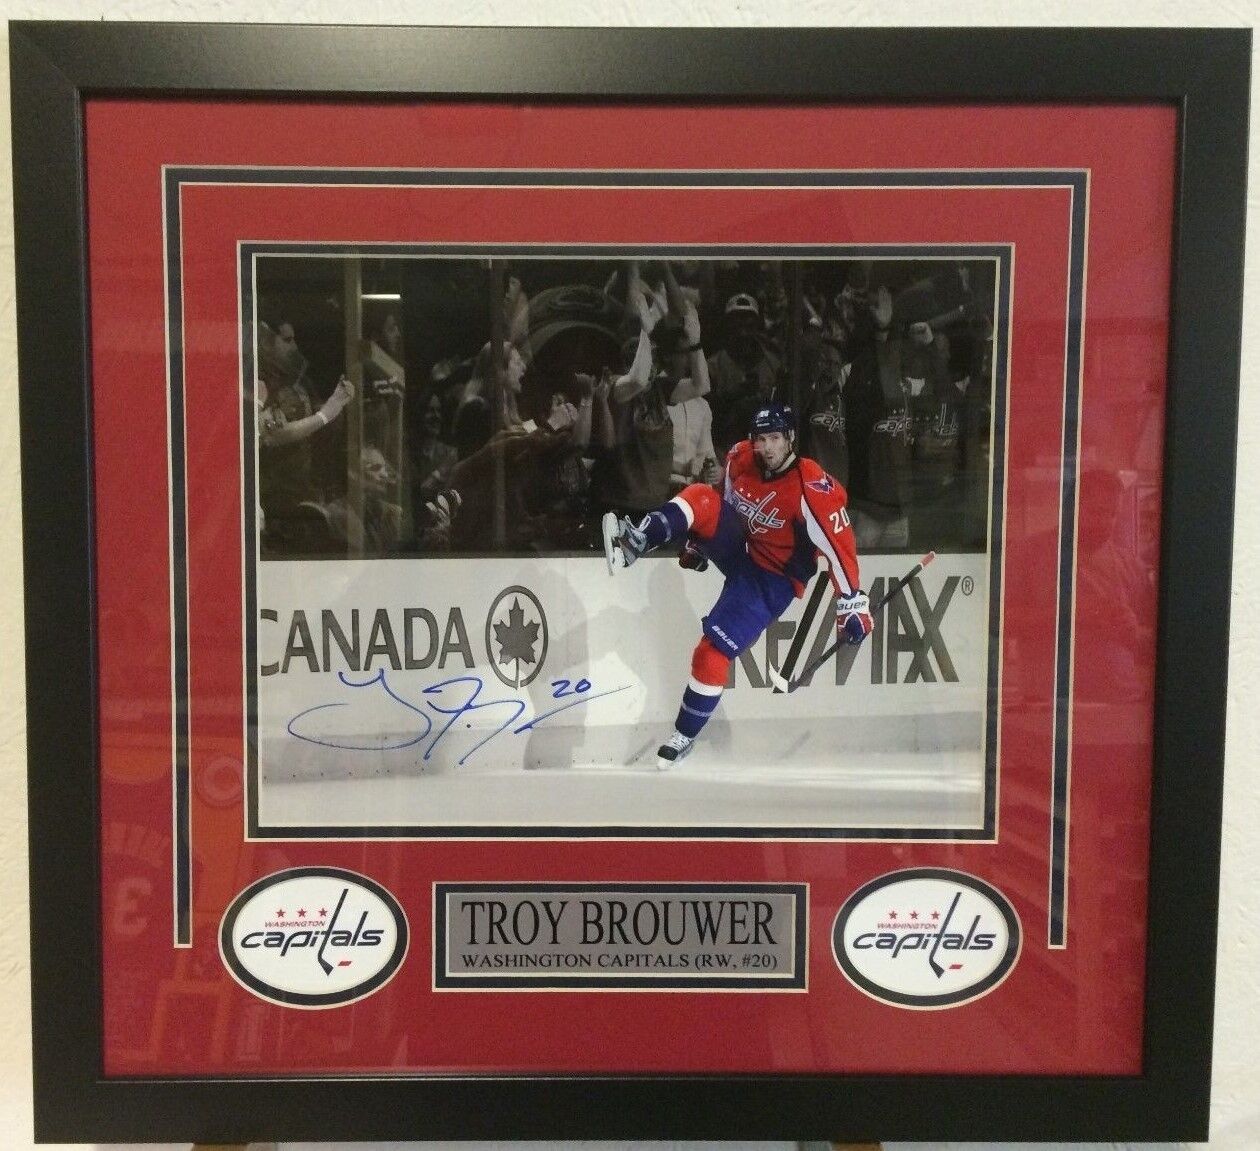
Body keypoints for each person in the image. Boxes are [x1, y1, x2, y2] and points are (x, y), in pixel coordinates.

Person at [601, 402, 872, 769]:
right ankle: (637, 542)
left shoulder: (810, 485)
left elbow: (839, 546)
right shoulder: (741, 458)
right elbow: (723, 502)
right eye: (761, 439)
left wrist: (851, 602)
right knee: (700, 494)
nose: (767, 447)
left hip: (772, 579)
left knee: (710, 652)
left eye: (775, 438)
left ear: (790, 438)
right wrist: (699, 541)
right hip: (741, 548)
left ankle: (683, 736)